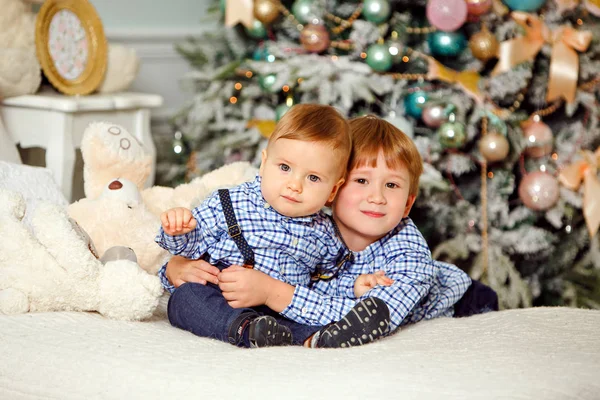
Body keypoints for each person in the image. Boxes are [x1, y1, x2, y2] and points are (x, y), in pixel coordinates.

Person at [162, 115, 498, 349]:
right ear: (332, 189)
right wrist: (179, 265)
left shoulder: (410, 257)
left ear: (408, 204)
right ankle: (249, 330)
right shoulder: (307, 220)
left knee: (476, 300)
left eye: (392, 186)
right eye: (362, 181)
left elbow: (367, 318)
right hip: (302, 301)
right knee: (186, 299)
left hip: (451, 293)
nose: (377, 197)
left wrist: (272, 293)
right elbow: (250, 251)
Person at [156, 104, 391, 349]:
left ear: (333, 189)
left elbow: (325, 281)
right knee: (186, 299)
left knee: (302, 315)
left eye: (313, 178)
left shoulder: (325, 232)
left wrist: (354, 285)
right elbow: (190, 249)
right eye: (285, 168)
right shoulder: (230, 201)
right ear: (264, 163)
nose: (294, 185)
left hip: (281, 305)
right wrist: (179, 229)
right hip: (223, 292)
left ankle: (319, 337)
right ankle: (245, 329)